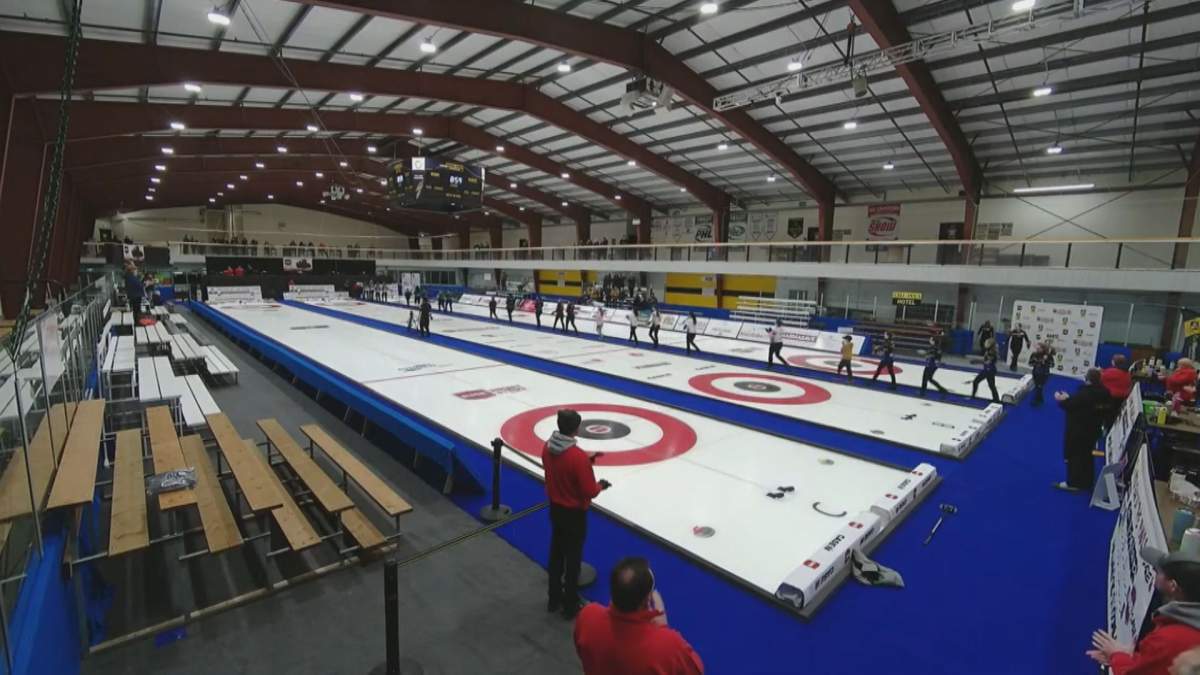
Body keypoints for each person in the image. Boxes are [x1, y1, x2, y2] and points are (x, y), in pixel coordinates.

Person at [574, 557, 705, 675]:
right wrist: (663, 627)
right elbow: (696, 670)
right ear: (647, 600)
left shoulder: (587, 615)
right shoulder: (668, 645)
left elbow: (582, 651)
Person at [543, 409, 611, 620]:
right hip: (574, 514)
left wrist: (585, 461)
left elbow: (560, 467)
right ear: (576, 428)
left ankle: (553, 598)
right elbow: (589, 491)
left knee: (556, 555)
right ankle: (570, 604)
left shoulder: (547, 447)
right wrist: (601, 485)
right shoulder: (577, 457)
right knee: (573, 559)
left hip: (555, 509)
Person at [1088, 546, 1200, 673]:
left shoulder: (1167, 639)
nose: (1153, 572)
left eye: (1158, 571)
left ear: (1172, 585)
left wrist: (1117, 655)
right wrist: (1132, 656)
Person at [1054, 368, 1110, 491]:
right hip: (1094, 429)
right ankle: (1087, 481)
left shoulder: (1085, 394)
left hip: (1079, 429)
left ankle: (1074, 483)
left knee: (1075, 456)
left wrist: (1061, 399)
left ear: (1087, 379)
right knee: (1087, 455)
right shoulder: (1105, 392)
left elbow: (1071, 405)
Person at [1101, 354, 1134, 425]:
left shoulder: (1111, 372)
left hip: (1110, 400)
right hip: (1121, 400)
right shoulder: (1127, 373)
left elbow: (1099, 377)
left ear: (1114, 362)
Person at [971, 338, 1000, 403]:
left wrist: (976, 361)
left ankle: (973, 396)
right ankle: (996, 399)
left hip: (989, 370)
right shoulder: (990, 350)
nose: (985, 343)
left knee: (976, 381)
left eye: (986, 342)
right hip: (990, 370)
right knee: (991, 385)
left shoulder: (991, 352)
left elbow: (987, 362)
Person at [124, 261, 145, 325]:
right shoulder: (129, 276)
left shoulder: (131, 276)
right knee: (137, 311)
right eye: (135, 270)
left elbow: (138, 284)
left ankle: (138, 322)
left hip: (135, 296)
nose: (136, 271)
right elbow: (138, 285)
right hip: (135, 296)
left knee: (137, 311)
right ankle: (137, 323)